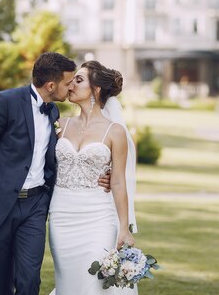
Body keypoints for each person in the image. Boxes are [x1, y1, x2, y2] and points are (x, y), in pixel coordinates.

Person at [0, 52, 110, 295]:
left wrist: (106, 173)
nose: (71, 86)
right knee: (1, 282)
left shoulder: (54, 113)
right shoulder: (4, 102)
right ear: (51, 85)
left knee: (30, 280)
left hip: (35, 206)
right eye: (68, 82)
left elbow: (72, 154)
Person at [48, 60, 138, 295]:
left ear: (96, 90)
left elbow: (118, 181)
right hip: (61, 216)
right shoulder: (60, 125)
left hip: (98, 217)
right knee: (68, 282)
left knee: (93, 283)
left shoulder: (114, 131)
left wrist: (124, 228)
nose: (70, 86)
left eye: (78, 80)